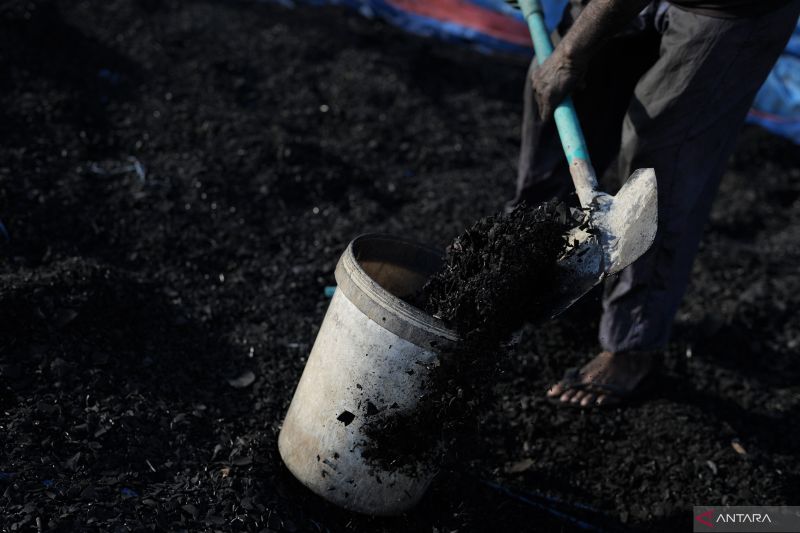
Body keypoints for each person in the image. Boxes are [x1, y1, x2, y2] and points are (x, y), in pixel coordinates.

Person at [508, 0, 800, 408]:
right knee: (554, 90)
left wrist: (572, 51)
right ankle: (523, 259)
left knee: (663, 159)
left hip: (726, 9)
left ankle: (632, 345)